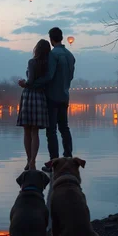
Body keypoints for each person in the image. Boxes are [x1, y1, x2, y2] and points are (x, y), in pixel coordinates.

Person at [19, 27, 75, 173]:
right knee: (64, 128)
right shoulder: (70, 55)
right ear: (62, 37)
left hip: (51, 96)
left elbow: (49, 76)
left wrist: (30, 84)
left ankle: (54, 162)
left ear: (51, 38)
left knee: (51, 132)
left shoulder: (53, 54)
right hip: (64, 95)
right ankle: (68, 157)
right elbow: (71, 77)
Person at [17, 39, 51, 170]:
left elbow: (30, 81)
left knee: (27, 130)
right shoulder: (48, 64)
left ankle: (28, 160)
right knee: (35, 132)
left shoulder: (32, 62)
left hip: (29, 96)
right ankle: (33, 161)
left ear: (36, 49)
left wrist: (23, 83)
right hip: (40, 97)